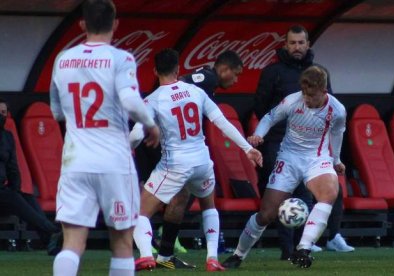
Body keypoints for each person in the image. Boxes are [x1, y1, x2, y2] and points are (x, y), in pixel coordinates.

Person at [49, 1, 160, 275]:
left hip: (76, 161)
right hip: (114, 162)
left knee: (72, 243)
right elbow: (131, 101)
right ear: (116, 24)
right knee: (122, 243)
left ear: (82, 25)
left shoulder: (62, 60)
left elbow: (56, 112)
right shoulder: (121, 59)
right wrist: (151, 124)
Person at [131, 48, 262, 272]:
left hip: (176, 163)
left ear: (155, 71)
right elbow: (222, 122)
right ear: (178, 69)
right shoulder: (195, 91)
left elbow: (135, 135)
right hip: (202, 161)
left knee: (139, 212)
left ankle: (146, 256)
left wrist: (126, 151)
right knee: (208, 207)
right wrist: (247, 148)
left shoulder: (152, 99)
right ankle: (211, 259)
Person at [222, 65, 345, 269]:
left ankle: (303, 249)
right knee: (266, 214)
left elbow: (337, 133)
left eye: (312, 95)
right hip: (288, 159)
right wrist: (259, 134)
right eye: (305, 93)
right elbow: (270, 117)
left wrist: (336, 160)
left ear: (324, 91)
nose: (307, 99)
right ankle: (238, 255)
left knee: (330, 192)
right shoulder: (292, 100)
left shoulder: (337, 110)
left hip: (317, 158)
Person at [254, 25, 353, 258]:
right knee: (281, 197)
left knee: (322, 191)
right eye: (292, 43)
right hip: (279, 142)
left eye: (301, 42)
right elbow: (261, 107)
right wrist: (270, 132)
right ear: (285, 45)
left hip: (312, 147)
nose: (297, 47)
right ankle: (287, 249)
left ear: (308, 45)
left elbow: (330, 111)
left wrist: (333, 155)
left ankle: (310, 242)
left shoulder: (319, 72)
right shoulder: (273, 72)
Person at [0, 99, 62, 255]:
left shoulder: (7, 137)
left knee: (26, 197)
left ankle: (50, 243)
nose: (1, 116)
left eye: (3, 113)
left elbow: (13, 167)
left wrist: (16, 189)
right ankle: (51, 229)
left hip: (3, 190)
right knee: (11, 197)